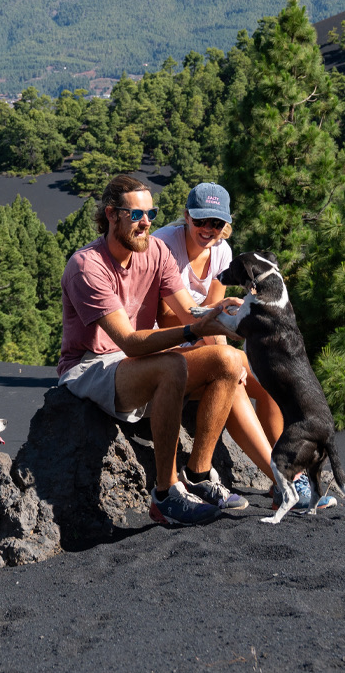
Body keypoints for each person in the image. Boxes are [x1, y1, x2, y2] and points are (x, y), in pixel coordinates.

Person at [57, 174, 249, 526]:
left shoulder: (156, 252)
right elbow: (127, 341)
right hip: (92, 365)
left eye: (152, 214)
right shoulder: (87, 266)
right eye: (136, 215)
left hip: (137, 360)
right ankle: (166, 495)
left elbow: (190, 312)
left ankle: (201, 473)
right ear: (112, 214)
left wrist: (225, 313)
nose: (146, 223)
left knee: (230, 361)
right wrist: (194, 329)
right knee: (173, 366)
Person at [153, 183, 329, 511]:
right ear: (187, 216)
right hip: (164, 342)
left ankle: (291, 472)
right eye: (201, 221)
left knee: (266, 380)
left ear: (226, 224)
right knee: (232, 373)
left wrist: (225, 338)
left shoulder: (221, 250)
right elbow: (168, 317)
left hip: (198, 334)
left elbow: (211, 308)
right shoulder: (163, 246)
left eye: (217, 223)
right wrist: (226, 349)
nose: (208, 229)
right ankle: (283, 482)